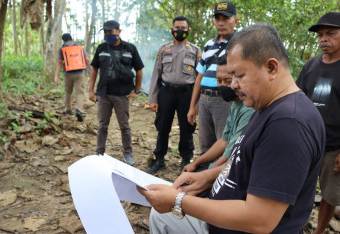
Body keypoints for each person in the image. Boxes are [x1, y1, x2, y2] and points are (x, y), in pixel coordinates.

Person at [138, 23, 325, 233]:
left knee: (163, 218)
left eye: (239, 76)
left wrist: (178, 201)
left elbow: (259, 220)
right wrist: (206, 177)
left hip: (234, 228)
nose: (233, 85)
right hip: (221, 217)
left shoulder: (289, 124)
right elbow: (242, 161)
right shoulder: (267, 106)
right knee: (161, 217)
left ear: (271, 68)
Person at [296, 12, 340, 234]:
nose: (324, 39)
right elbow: (297, 98)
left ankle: (319, 231)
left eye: (330, 33)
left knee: (329, 194)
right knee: (299, 186)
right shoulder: (311, 65)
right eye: (321, 35)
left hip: (333, 146)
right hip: (306, 142)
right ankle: (296, 225)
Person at [182, 54, 254, 181]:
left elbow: (228, 156)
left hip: (234, 171)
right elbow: (223, 141)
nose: (222, 86)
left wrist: (203, 177)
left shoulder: (248, 109)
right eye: (219, 81)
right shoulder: (235, 104)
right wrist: (195, 164)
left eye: (227, 81)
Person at [146, 16, 201, 174]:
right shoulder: (164, 49)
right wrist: (153, 99)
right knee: (163, 126)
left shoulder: (195, 51)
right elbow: (156, 74)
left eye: (183, 28)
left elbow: (200, 78)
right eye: (177, 28)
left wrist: (196, 103)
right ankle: (159, 159)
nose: (180, 31)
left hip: (187, 94)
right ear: (172, 29)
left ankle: (185, 159)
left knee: (187, 127)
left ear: (188, 30)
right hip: (166, 92)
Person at [89, 20, 144, 166]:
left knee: (124, 126)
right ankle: (99, 153)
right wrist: (91, 90)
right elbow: (94, 68)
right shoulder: (101, 48)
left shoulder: (130, 49)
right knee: (102, 125)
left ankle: (128, 154)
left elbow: (139, 69)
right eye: (106, 32)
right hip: (104, 93)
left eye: (111, 32)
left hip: (122, 94)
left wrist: (136, 90)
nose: (108, 35)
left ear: (118, 32)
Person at [187, 1, 239, 156]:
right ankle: (204, 176)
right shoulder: (209, 44)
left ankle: (219, 177)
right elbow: (200, 76)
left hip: (224, 100)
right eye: (217, 19)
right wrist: (193, 105)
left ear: (235, 21)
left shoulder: (240, 43)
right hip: (204, 99)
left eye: (226, 18)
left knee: (224, 142)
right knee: (205, 143)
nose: (221, 23)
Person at [54, 33, 91, 122]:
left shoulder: (62, 48)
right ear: (72, 39)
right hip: (80, 73)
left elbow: (59, 62)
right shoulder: (79, 47)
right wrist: (91, 70)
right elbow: (87, 59)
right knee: (80, 93)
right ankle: (79, 109)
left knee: (68, 91)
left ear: (64, 40)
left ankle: (68, 109)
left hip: (68, 74)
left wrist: (56, 76)